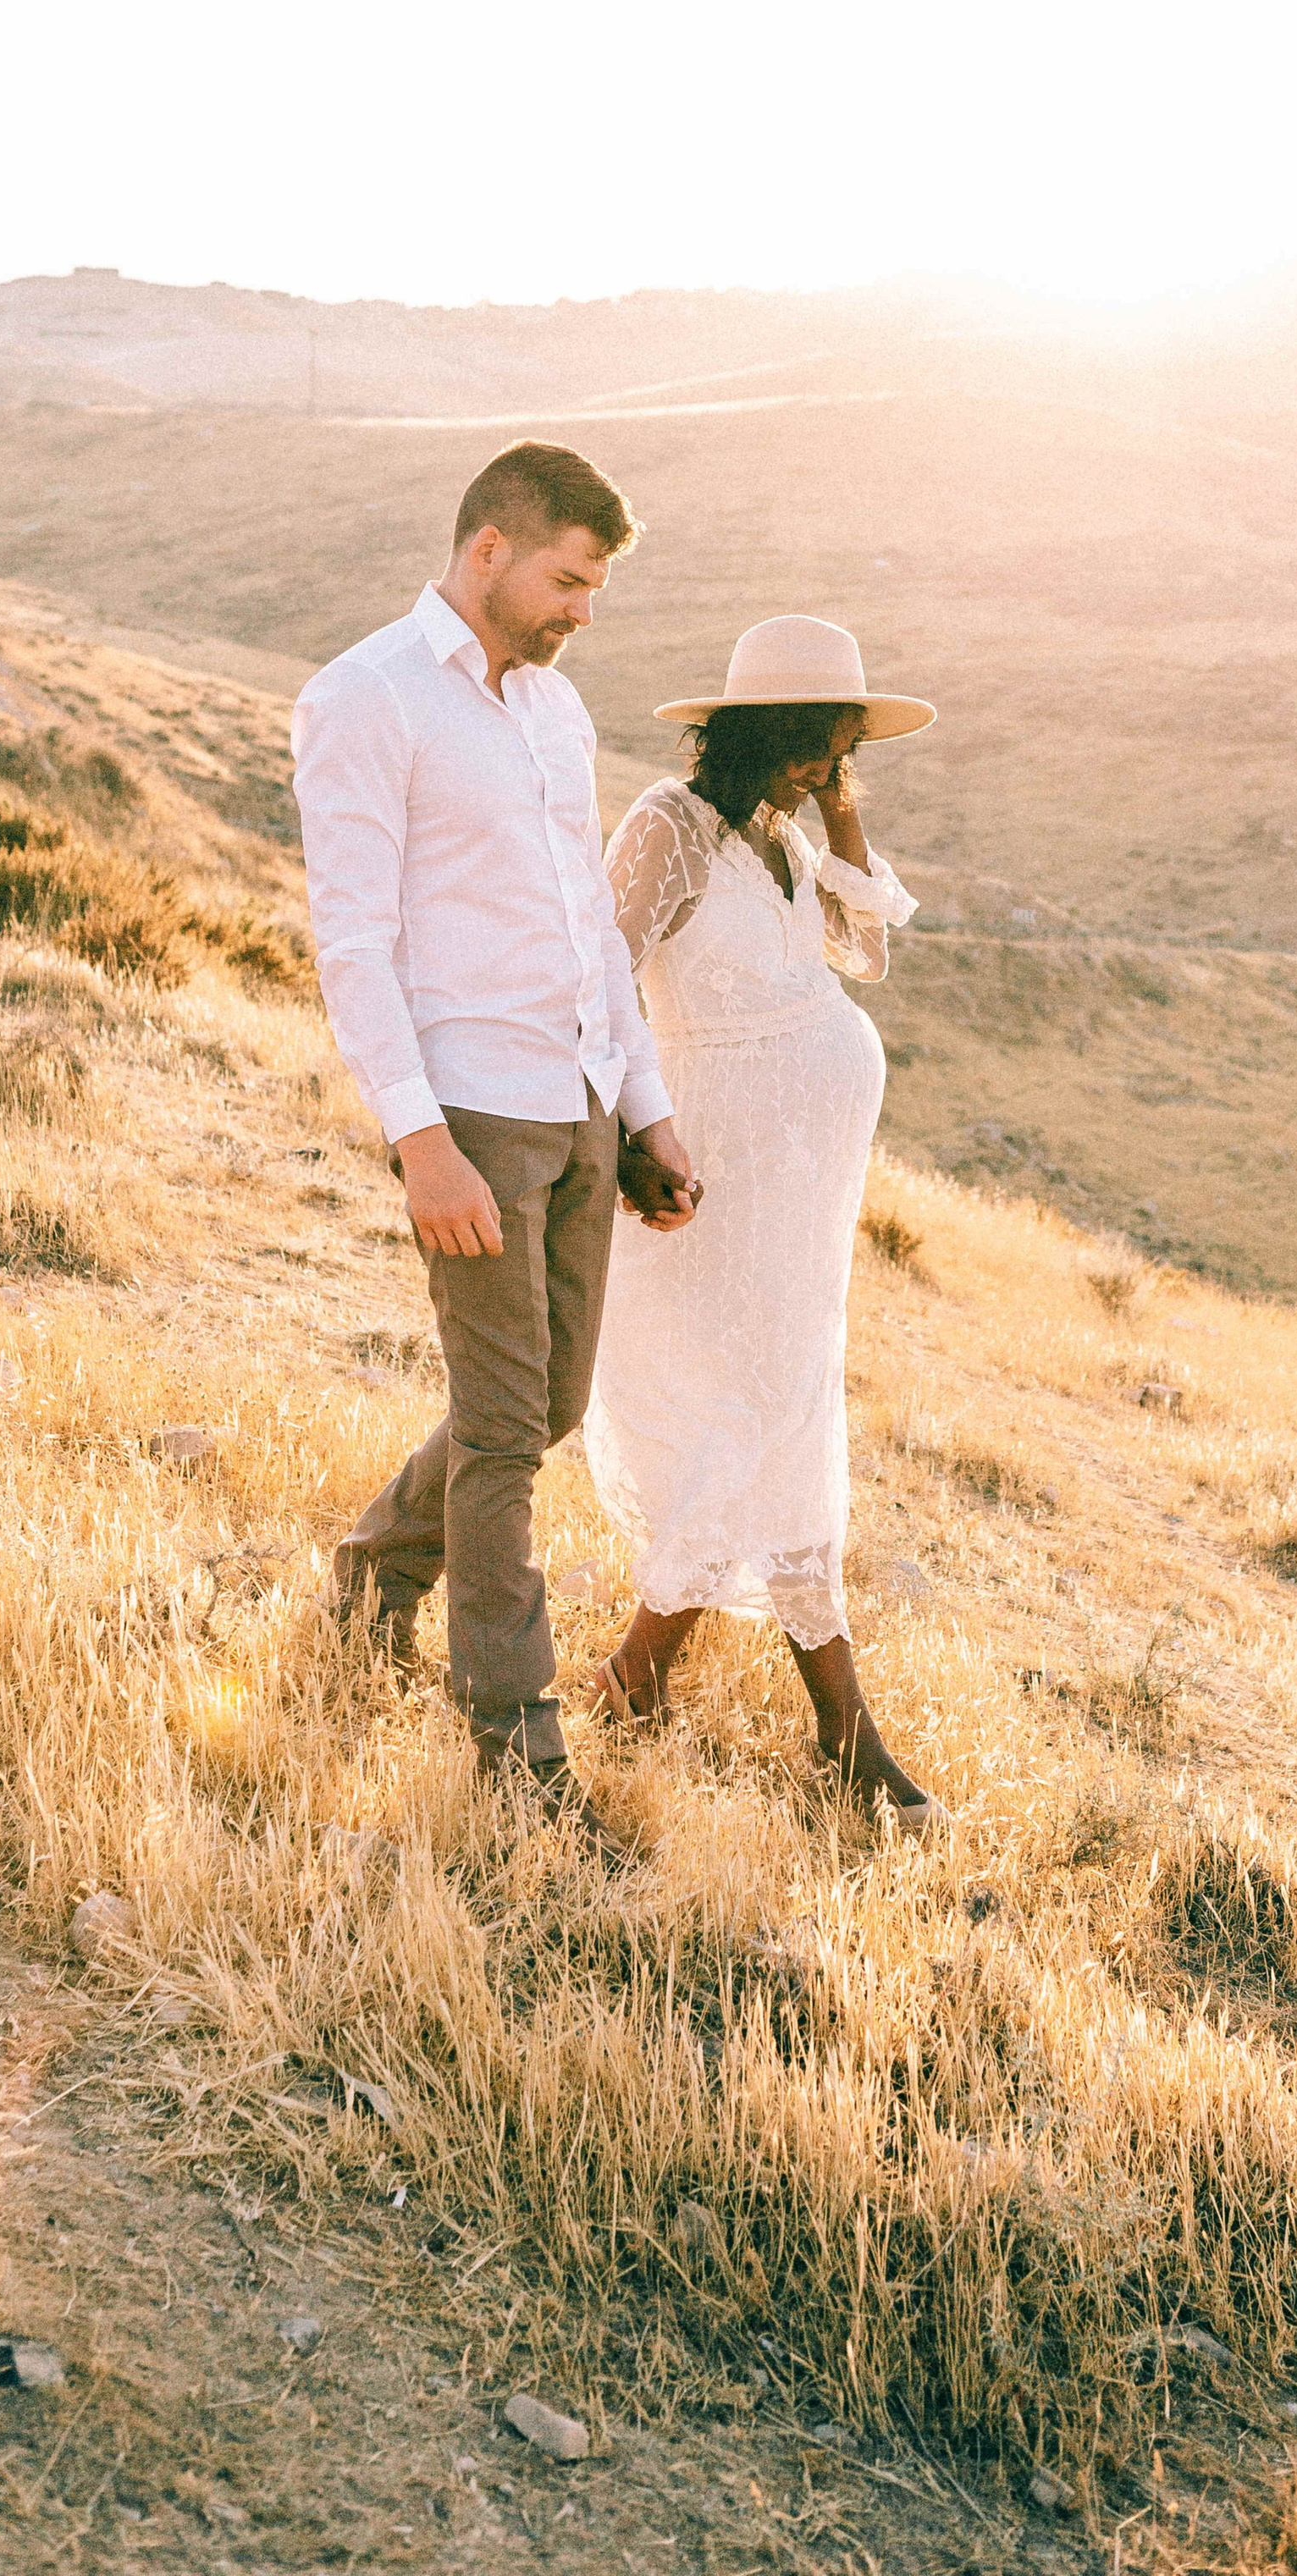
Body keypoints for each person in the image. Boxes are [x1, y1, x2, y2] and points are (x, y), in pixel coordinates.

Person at [290, 440, 698, 1851]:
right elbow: (353, 939)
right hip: (469, 1114)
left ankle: (364, 1573)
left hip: (579, 1101)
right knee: (511, 1436)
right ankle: (517, 1756)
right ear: (489, 552)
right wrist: (422, 1143)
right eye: (570, 580)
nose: (584, 609)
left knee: (549, 1407)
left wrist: (640, 1110)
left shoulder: (558, 715)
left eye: (595, 586)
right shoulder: (365, 697)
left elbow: (592, 929)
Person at [580, 614, 946, 1832]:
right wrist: (634, 1134)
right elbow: (598, 982)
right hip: (712, 1175)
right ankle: (779, 1718)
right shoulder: (668, 830)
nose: (824, 769)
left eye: (841, 753)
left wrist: (840, 817)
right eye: (813, 749)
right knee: (747, 1419)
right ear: (761, 732)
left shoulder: (788, 837)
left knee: (788, 1414)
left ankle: (769, 1716)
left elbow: (867, 953)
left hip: (801, 1195)